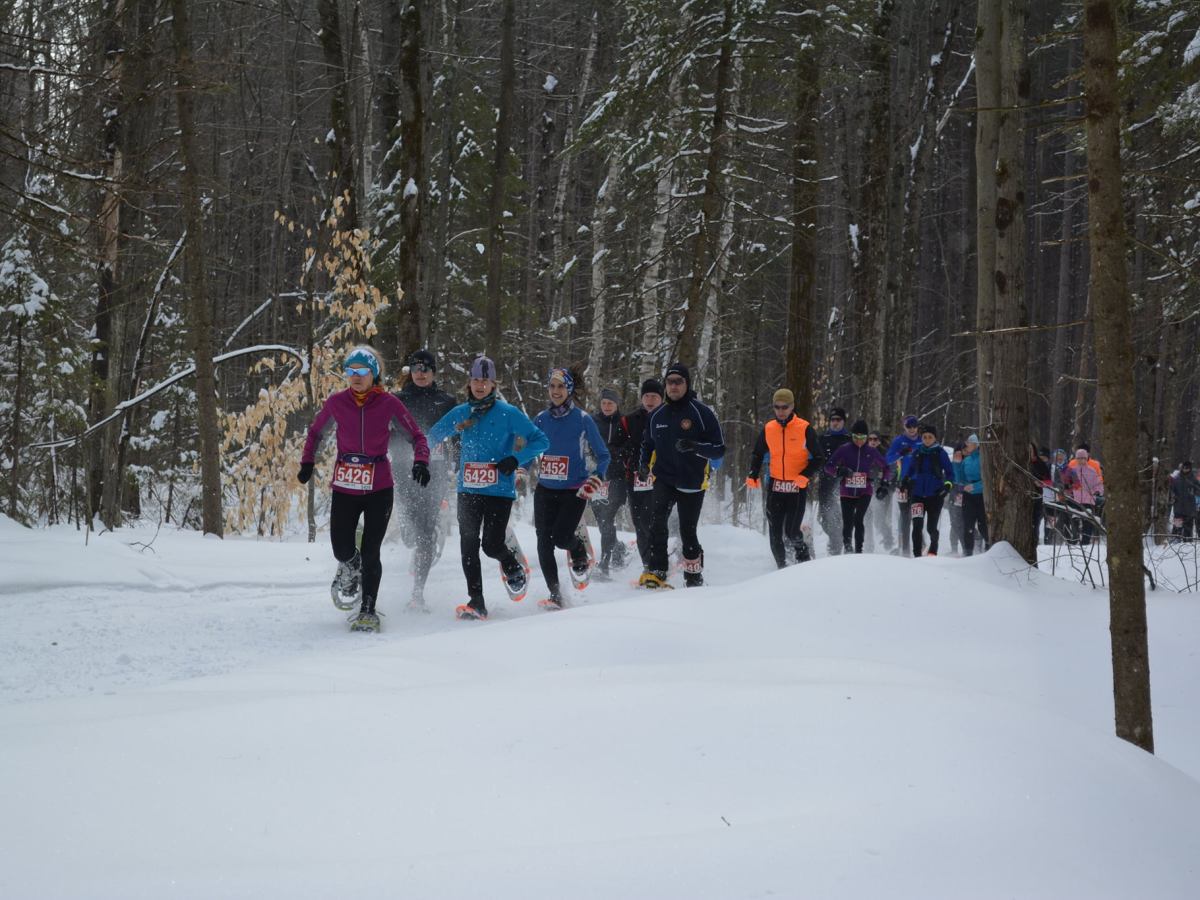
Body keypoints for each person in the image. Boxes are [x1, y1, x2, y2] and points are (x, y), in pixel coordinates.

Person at [300, 346, 431, 632]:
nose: (356, 377)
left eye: (362, 371)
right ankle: (350, 565)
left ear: (374, 374)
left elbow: (417, 435)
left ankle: (368, 610)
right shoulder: (337, 402)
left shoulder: (389, 403)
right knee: (341, 547)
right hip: (345, 486)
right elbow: (315, 432)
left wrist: (421, 461)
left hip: (378, 487)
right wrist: (308, 461)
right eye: (350, 371)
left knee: (372, 550)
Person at [427, 356, 549, 620]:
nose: (479, 385)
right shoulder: (462, 412)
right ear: (469, 382)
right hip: (468, 489)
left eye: (485, 380)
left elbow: (541, 440)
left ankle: (510, 562)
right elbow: (431, 436)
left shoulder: (508, 413)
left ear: (494, 384)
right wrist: (413, 455)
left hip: (498, 491)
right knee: (468, 544)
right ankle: (476, 600)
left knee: (491, 545)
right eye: (475, 380)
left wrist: (516, 458)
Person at [531, 367, 611, 609]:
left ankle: (577, 549)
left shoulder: (583, 419)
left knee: (561, 538)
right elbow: (530, 450)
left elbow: (604, 455)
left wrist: (596, 478)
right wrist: (521, 468)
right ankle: (556, 595)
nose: (556, 391)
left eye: (561, 387)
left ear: (569, 390)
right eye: (552, 386)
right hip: (545, 489)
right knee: (543, 542)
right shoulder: (541, 419)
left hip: (574, 489)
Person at [638, 363, 725, 587]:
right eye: (670, 382)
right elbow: (647, 444)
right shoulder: (657, 415)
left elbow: (719, 448)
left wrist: (695, 446)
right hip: (664, 478)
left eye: (678, 382)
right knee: (657, 523)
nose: (674, 386)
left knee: (687, 530)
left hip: (692, 480)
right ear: (665, 386)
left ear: (687, 384)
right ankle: (657, 570)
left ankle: (693, 575)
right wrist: (643, 465)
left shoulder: (701, 413)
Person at [390, 349, 458, 611]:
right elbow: (384, 430)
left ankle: (418, 593)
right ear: (410, 371)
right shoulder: (397, 399)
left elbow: (458, 435)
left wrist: (459, 465)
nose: (420, 373)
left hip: (435, 471)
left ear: (433, 372)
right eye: (416, 368)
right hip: (404, 470)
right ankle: (425, 541)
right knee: (409, 535)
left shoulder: (447, 401)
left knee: (424, 533)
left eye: (426, 369)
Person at [747, 389, 824, 567]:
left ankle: (805, 562)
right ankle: (781, 570)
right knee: (774, 534)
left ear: (792, 407)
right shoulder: (769, 428)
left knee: (792, 532)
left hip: (796, 488)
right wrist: (753, 473)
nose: (781, 411)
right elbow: (758, 453)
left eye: (785, 407)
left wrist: (805, 475)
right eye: (777, 407)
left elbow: (819, 458)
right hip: (775, 486)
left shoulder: (804, 428)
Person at [824, 419, 889, 554]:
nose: (859, 441)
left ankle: (859, 551)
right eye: (855, 437)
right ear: (851, 436)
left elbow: (886, 467)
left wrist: (884, 484)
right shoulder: (844, 449)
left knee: (858, 519)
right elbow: (828, 467)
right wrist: (838, 471)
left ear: (866, 437)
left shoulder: (871, 451)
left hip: (864, 491)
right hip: (846, 492)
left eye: (863, 438)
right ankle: (848, 549)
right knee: (848, 522)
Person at [591, 387, 633, 577]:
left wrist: (616, 452)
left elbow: (631, 445)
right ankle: (617, 548)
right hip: (596, 476)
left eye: (611, 403)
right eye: (604, 403)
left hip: (617, 477)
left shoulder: (624, 422)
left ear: (617, 405)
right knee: (601, 520)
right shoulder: (592, 421)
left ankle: (605, 563)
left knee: (607, 518)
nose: (607, 406)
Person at [625, 379, 663, 573]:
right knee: (639, 522)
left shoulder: (667, 416)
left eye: (654, 396)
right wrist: (628, 461)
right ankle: (648, 564)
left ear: (661, 399)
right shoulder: (631, 419)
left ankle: (659, 561)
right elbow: (620, 443)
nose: (650, 400)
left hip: (661, 478)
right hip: (636, 478)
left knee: (656, 521)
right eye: (646, 396)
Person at [898, 423, 954, 557]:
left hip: (935, 495)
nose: (927, 440)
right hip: (917, 494)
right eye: (924, 437)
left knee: (931, 527)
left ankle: (933, 550)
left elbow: (950, 473)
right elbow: (911, 470)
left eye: (930, 437)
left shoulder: (941, 453)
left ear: (935, 438)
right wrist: (905, 480)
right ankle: (917, 555)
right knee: (917, 526)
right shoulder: (917, 452)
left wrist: (947, 486)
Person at [886, 415, 924, 555]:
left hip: (919, 483)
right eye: (909, 427)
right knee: (905, 515)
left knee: (918, 515)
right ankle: (905, 549)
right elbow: (888, 459)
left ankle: (919, 547)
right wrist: (900, 453)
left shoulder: (922, 440)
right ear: (904, 427)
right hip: (903, 483)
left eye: (914, 426)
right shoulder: (899, 441)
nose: (912, 429)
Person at [817, 407, 852, 555]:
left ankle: (838, 549)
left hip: (844, 484)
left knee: (841, 517)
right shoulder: (822, 438)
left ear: (843, 421)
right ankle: (835, 542)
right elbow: (817, 460)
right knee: (825, 520)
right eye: (833, 420)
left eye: (838, 420)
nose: (835, 423)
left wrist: (846, 470)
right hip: (825, 483)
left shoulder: (849, 440)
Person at [1061, 446, 1104, 546]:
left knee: (1088, 521)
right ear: (1076, 459)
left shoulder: (1092, 471)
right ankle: (1072, 539)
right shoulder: (1071, 470)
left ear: (1087, 458)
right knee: (1072, 519)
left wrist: (1097, 491)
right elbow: (1066, 484)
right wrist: (1068, 489)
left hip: (1088, 500)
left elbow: (1099, 484)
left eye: (1083, 458)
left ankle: (1085, 542)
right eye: (1079, 458)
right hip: (1074, 499)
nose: (1081, 460)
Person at [956, 433, 990, 556]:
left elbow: (987, 478)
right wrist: (956, 464)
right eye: (967, 443)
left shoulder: (983, 458)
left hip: (981, 496)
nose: (967, 445)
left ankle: (990, 548)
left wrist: (975, 486)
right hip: (968, 496)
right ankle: (968, 553)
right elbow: (959, 478)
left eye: (969, 442)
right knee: (968, 526)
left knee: (983, 525)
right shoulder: (966, 460)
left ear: (975, 444)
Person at [864, 431, 895, 552]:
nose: (872, 441)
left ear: (879, 441)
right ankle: (869, 545)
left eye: (875, 439)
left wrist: (885, 484)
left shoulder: (885, 453)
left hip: (882, 491)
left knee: (879, 520)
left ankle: (888, 538)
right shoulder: (864, 452)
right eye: (870, 439)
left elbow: (892, 470)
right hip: (867, 489)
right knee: (866, 518)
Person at [1030, 445, 1053, 547]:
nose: (1043, 459)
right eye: (1041, 456)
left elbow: (1050, 481)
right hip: (1028, 498)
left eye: (1045, 457)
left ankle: (1047, 542)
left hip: (1048, 498)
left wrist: (1041, 483)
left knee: (1046, 522)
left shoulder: (1047, 466)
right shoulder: (1024, 462)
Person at [1170, 460, 1198, 541]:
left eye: (1187, 468)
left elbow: (1198, 490)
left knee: (1188, 530)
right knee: (1177, 529)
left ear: (1190, 469)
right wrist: (1173, 496)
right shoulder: (1177, 479)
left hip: (1189, 509)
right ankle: (1175, 542)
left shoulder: (1193, 479)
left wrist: (1193, 491)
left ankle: (1188, 544)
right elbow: (1172, 490)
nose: (1185, 469)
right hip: (1178, 508)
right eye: (1184, 468)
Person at [947, 445, 966, 555]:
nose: (958, 456)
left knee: (961, 523)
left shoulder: (965, 464)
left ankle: (973, 542)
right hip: (953, 495)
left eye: (960, 454)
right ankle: (954, 549)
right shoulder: (950, 465)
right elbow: (947, 478)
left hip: (964, 495)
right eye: (956, 454)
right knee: (954, 523)